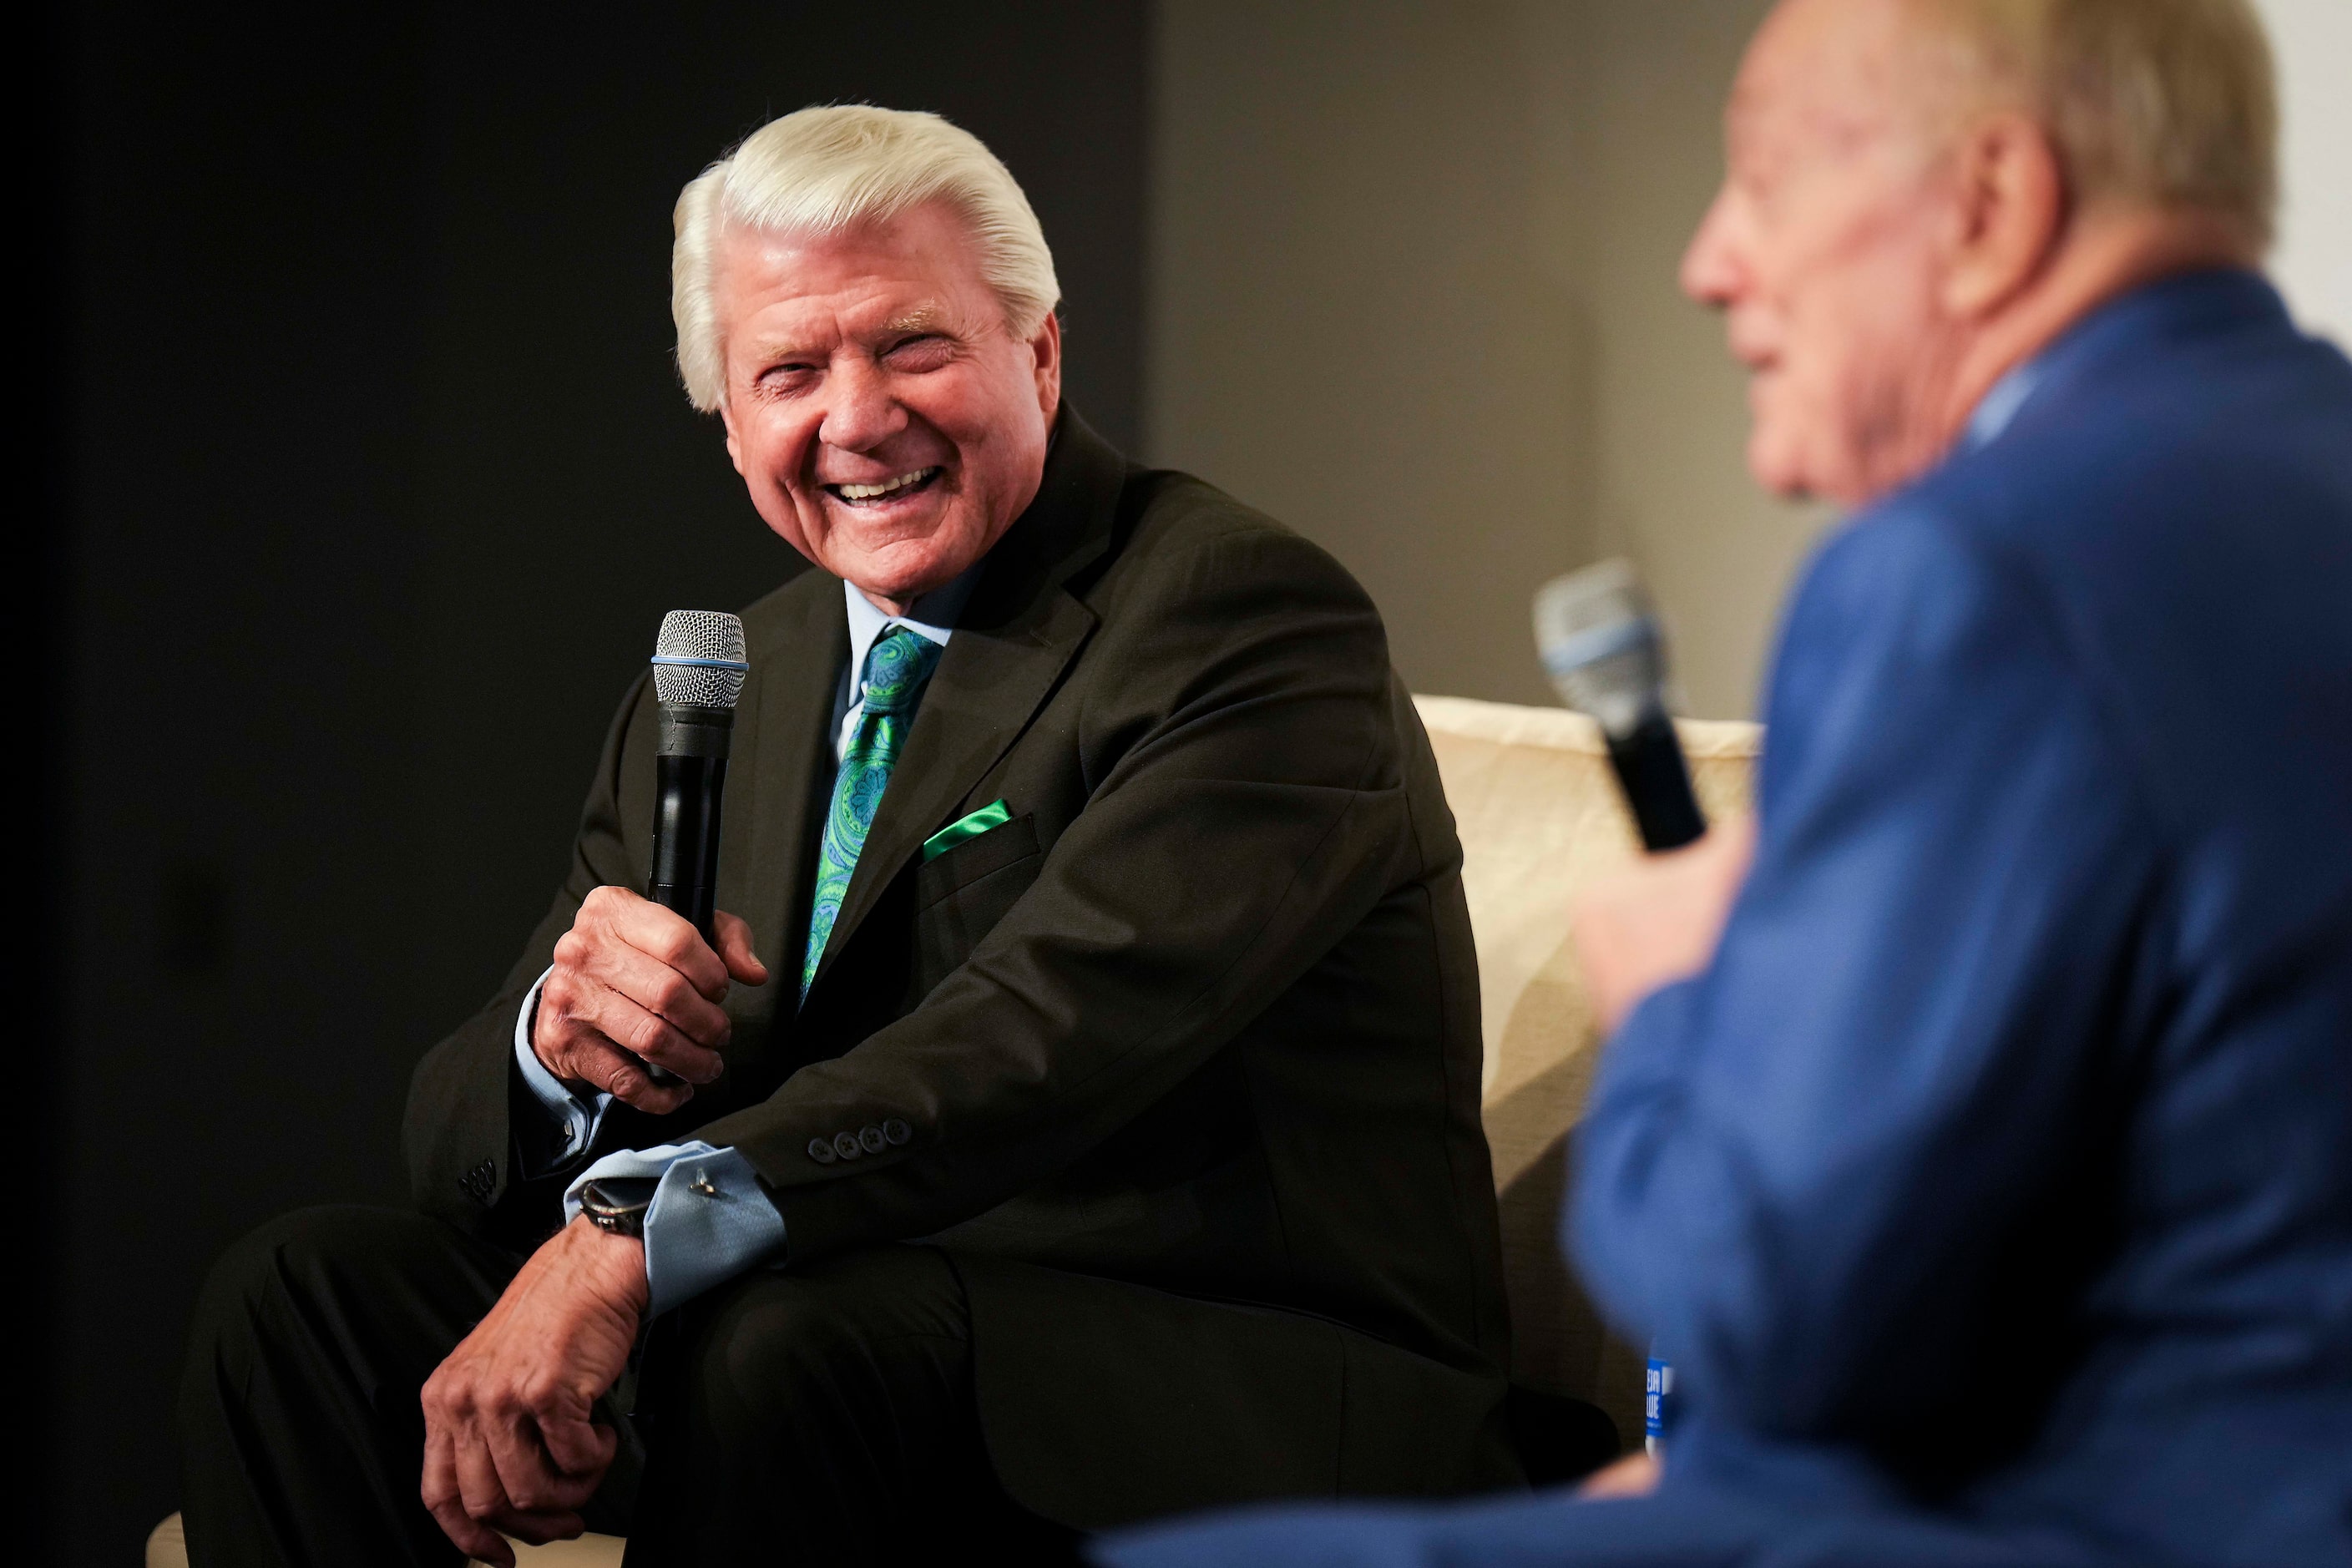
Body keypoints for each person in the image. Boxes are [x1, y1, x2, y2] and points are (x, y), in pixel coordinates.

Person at [177, 105, 1526, 1566]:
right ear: (730, 420)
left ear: (1042, 351)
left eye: (912, 346)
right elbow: (447, 1139)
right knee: (296, 1294)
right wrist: (555, 1048)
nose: (857, 418)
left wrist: (628, 1230)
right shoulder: (727, 680)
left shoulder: (1238, 615)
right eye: (790, 372)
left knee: (789, 1340)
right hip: (833, 1335)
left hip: (1235, 1385)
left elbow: (1035, 1041)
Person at [1103, 0, 2352, 1565]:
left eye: (1759, 180)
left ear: (1988, 205)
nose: (1708, 262)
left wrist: (1687, 994)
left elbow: (1773, 1311)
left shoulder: (1974, 574)